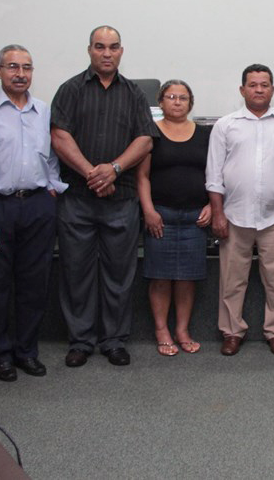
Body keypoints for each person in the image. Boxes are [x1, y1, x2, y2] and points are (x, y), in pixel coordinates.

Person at [51, 26, 158, 368]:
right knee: (76, 273)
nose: (107, 53)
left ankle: (113, 340)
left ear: (121, 51)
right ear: (89, 51)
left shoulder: (135, 94)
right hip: (78, 199)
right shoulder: (70, 90)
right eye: (100, 47)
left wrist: (112, 169)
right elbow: (59, 136)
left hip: (121, 199)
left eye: (113, 47)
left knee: (118, 274)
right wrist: (92, 174)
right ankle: (81, 341)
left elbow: (145, 140)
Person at [0, 46, 66, 381]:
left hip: (37, 205)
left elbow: (50, 157)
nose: (20, 73)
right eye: (12, 67)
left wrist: (52, 188)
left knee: (35, 284)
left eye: (26, 67)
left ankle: (26, 352)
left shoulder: (43, 110)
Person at [206, 64, 274, 357]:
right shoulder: (226, 125)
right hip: (234, 216)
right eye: (253, 85)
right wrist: (218, 214)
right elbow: (214, 174)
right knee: (232, 280)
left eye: (265, 85)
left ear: (273, 89)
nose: (259, 90)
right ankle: (232, 332)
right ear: (242, 89)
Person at [136, 80, 211, 357]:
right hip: (161, 215)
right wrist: (148, 210)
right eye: (171, 97)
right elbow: (141, 176)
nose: (177, 102)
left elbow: (215, 175)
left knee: (186, 278)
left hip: (195, 217)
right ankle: (161, 330)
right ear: (161, 102)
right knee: (160, 276)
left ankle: (182, 330)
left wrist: (213, 206)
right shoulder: (150, 133)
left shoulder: (205, 134)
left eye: (183, 97)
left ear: (190, 103)